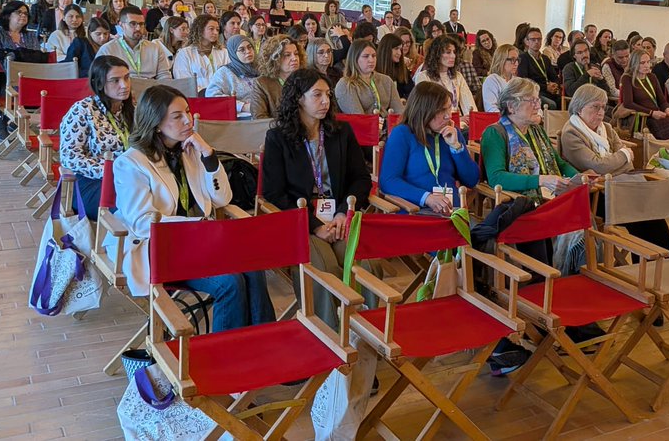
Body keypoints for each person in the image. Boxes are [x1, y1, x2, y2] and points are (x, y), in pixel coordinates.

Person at [114, 85, 275, 332]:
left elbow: (222, 199)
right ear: (156, 123)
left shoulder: (188, 150)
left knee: (252, 267)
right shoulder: (131, 163)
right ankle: (224, 356)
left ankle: (262, 341)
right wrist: (195, 227)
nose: (188, 120)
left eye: (187, 112)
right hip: (161, 249)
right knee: (230, 283)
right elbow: (141, 221)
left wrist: (209, 156)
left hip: (201, 242)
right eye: (177, 116)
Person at [261, 69, 371, 328]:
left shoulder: (340, 132)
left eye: (328, 95)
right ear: (298, 98)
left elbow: (361, 178)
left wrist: (344, 212)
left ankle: (368, 334)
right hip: (301, 220)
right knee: (323, 266)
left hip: (339, 216)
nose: (326, 101)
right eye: (317, 95)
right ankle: (331, 338)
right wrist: (315, 226)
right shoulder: (278, 138)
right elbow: (274, 194)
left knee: (362, 261)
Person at [560, 84, 669, 254]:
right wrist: (619, 159)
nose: (601, 112)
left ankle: (660, 260)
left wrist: (611, 164)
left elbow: (627, 163)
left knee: (650, 213)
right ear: (579, 108)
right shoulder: (571, 133)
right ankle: (654, 261)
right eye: (595, 107)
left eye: (603, 107)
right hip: (595, 195)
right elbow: (597, 165)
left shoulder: (606, 128)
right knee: (642, 214)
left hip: (622, 188)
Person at [380, 82, 478, 211]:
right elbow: (388, 181)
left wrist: (456, 147)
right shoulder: (403, 133)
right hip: (416, 211)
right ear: (424, 111)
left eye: (449, 108)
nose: (448, 115)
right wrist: (427, 198)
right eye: (441, 110)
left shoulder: (451, 132)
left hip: (451, 212)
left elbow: (472, 180)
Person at [481, 77, 585, 200]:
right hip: (519, 203)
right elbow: (496, 178)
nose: (538, 106)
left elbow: (559, 164)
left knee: (581, 205)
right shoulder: (494, 133)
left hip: (551, 197)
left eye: (538, 100)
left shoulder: (537, 130)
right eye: (532, 101)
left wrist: (580, 178)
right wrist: (541, 180)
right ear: (511, 106)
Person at [60, 56, 134, 214]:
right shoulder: (82, 110)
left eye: (127, 78)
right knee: (131, 206)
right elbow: (70, 158)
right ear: (99, 83)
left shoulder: (133, 108)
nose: (124, 85)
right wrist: (109, 172)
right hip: (92, 182)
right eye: (115, 80)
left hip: (129, 179)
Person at [0, 1, 44, 141]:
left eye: (25, 13)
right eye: (19, 12)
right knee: (10, 80)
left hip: (28, 77)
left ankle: (15, 120)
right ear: (8, 15)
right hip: (2, 77)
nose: (23, 15)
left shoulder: (30, 36)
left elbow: (36, 59)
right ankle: (3, 122)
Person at [620, 48, 669, 140]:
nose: (646, 65)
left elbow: (662, 100)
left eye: (648, 62)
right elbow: (628, 103)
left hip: (657, 114)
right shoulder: (627, 78)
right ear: (634, 64)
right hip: (643, 117)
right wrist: (651, 113)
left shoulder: (652, 77)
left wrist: (667, 109)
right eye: (642, 63)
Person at [97, 5, 172, 80]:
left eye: (141, 24)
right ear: (121, 25)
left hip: (150, 89)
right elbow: (100, 78)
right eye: (133, 24)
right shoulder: (108, 50)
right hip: (122, 88)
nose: (138, 28)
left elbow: (164, 75)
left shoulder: (155, 48)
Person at [413, 33, 477, 114]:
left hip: (458, 122)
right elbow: (427, 110)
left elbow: (470, 106)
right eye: (448, 52)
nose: (453, 56)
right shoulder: (423, 77)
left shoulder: (458, 76)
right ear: (437, 54)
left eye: (454, 52)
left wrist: (471, 118)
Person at [336, 39, 404, 115]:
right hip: (362, 125)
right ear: (355, 59)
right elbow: (358, 118)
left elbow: (400, 111)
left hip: (387, 124)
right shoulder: (345, 84)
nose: (371, 60)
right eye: (366, 56)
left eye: (374, 56)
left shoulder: (386, 80)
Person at [250, 35, 304, 119]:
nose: (294, 58)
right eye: (287, 55)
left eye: (296, 54)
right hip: (276, 130)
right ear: (275, 59)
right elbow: (259, 118)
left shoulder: (306, 79)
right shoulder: (261, 83)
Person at [205, 34, 260, 116]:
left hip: (263, 115)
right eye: (242, 50)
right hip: (240, 120)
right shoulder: (224, 72)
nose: (248, 51)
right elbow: (211, 96)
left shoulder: (260, 68)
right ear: (233, 53)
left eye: (249, 47)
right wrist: (242, 106)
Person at [172, 14, 227, 93]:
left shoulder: (223, 52)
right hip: (196, 98)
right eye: (211, 29)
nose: (215, 32)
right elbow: (184, 82)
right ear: (200, 30)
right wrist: (206, 93)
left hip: (221, 96)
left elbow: (229, 77)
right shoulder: (185, 54)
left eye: (217, 30)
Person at [517, 27, 561, 109]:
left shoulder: (545, 59)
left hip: (548, 91)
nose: (537, 42)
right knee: (551, 105)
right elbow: (525, 80)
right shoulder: (523, 58)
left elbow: (554, 76)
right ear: (527, 41)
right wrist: (545, 87)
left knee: (562, 101)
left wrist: (555, 84)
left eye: (539, 39)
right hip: (533, 92)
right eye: (533, 40)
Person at [483, 44, 520, 113]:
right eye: (512, 59)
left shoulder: (518, 81)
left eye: (517, 60)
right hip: (501, 121)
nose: (516, 63)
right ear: (501, 60)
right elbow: (491, 109)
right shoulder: (492, 80)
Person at [376, 33, 413, 100]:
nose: (399, 53)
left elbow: (411, 92)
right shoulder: (374, 70)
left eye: (400, 49)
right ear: (386, 50)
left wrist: (404, 99)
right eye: (396, 49)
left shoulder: (402, 69)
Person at [602, 39, 631, 103]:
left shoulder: (632, 63)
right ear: (613, 55)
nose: (625, 60)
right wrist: (630, 95)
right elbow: (612, 91)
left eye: (627, 56)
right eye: (620, 57)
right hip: (616, 102)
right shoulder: (607, 66)